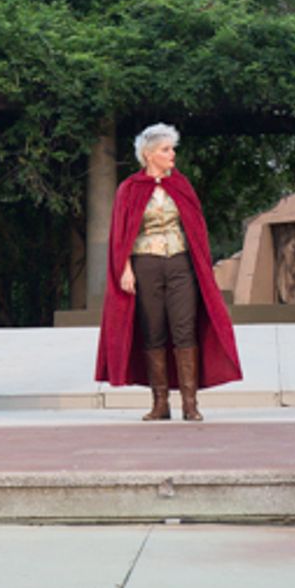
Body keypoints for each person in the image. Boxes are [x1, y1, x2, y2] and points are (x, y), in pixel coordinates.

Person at [96, 123, 242, 421]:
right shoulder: (130, 189)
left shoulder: (181, 186)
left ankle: (190, 404)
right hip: (145, 265)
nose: (172, 154)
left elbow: (196, 228)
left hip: (180, 264)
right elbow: (120, 234)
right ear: (149, 155)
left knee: (184, 328)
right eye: (166, 149)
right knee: (153, 331)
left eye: (172, 148)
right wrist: (125, 270)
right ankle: (160, 403)